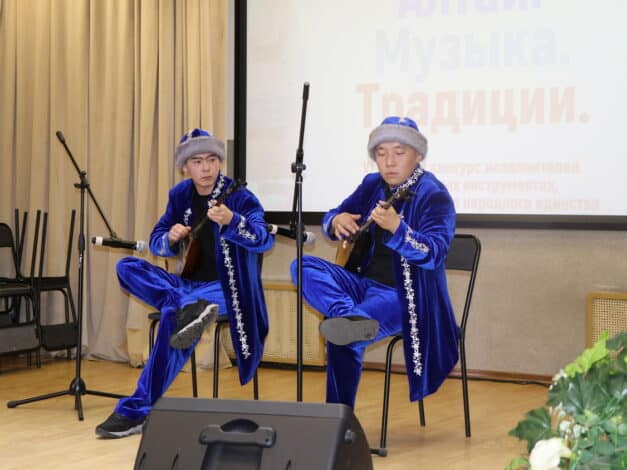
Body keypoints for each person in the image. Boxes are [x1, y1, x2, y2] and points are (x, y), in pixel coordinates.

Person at [96, 128, 274, 438]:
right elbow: (156, 241)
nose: (206, 168)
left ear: (219, 162)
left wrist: (233, 221)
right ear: (185, 167)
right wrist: (170, 238)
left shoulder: (240, 196)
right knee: (127, 266)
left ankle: (137, 410)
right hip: (186, 287)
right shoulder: (180, 195)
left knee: (174, 315)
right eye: (197, 161)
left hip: (228, 290)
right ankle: (180, 306)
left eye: (212, 160)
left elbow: (264, 239)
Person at [290, 116, 458, 409]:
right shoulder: (372, 184)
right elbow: (334, 215)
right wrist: (336, 221)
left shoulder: (435, 195)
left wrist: (398, 229)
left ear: (418, 155)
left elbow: (435, 254)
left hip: (406, 295)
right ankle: (347, 315)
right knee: (301, 267)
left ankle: (338, 420)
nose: (389, 161)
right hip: (361, 284)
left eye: (399, 152)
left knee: (343, 337)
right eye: (381, 153)